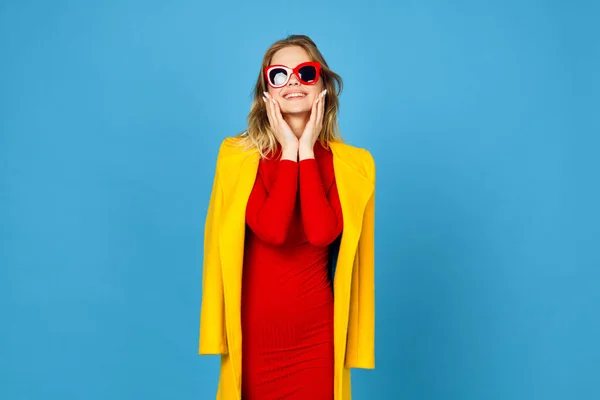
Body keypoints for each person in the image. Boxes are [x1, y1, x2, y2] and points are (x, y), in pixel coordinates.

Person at [198, 34, 376, 400]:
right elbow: (273, 230)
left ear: (323, 86)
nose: (293, 81)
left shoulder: (354, 165)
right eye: (279, 75)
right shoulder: (236, 157)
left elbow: (322, 231)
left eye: (305, 72)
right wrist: (289, 151)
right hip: (253, 339)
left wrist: (305, 151)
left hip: (316, 341)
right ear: (266, 92)